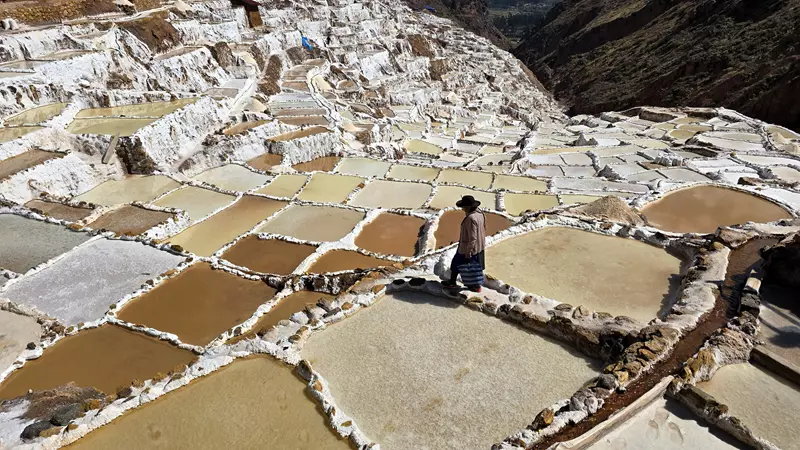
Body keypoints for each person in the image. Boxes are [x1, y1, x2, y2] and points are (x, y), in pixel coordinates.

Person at [443, 195, 486, 292]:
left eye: (463, 207)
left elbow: (473, 237)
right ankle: (475, 286)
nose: (463, 209)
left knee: (456, 264)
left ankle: (453, 283)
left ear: (468, 207)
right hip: (479, 246)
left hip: (468, 248)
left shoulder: (471, 218)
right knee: (474, 267)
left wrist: (468, 251)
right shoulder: (480, 213)